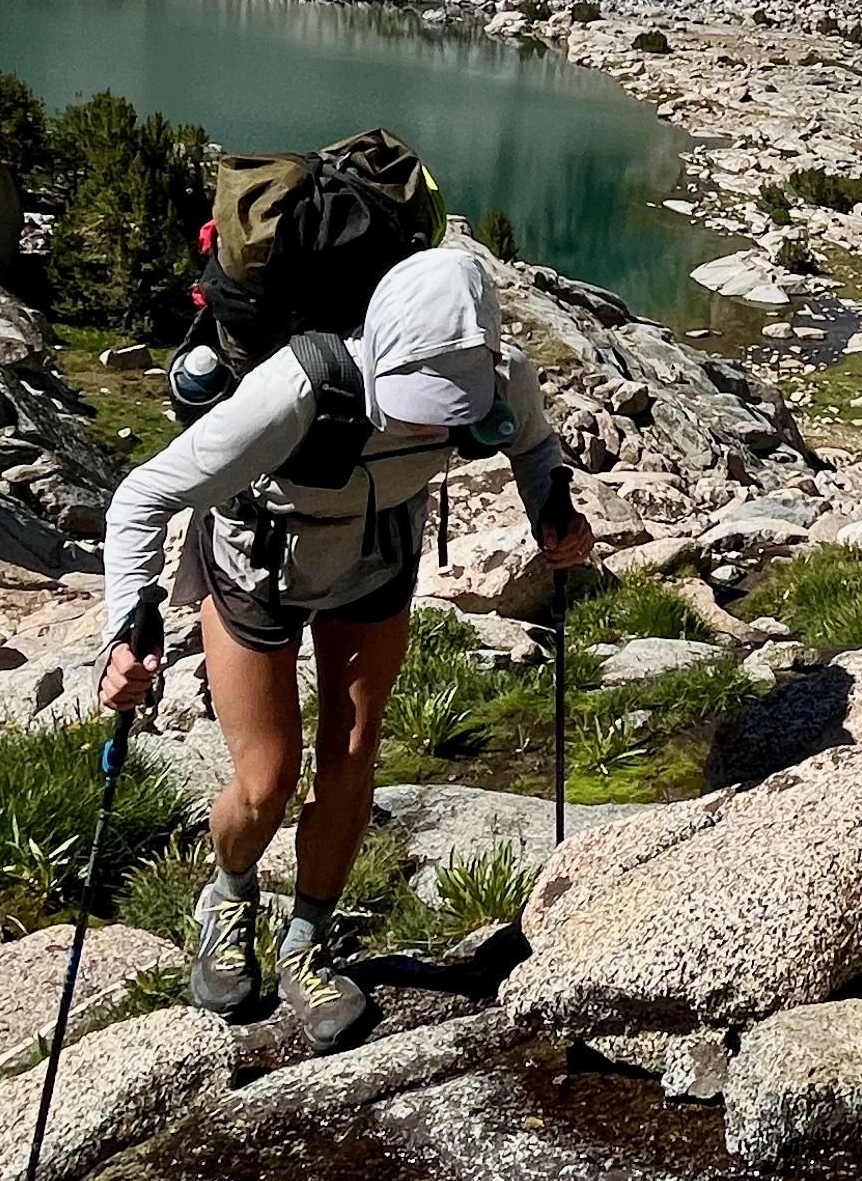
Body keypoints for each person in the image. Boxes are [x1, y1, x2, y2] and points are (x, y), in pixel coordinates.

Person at [93, 237, 594, 1047]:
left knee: (353, 755)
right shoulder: (296, 387)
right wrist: (127, 625)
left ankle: (307, 941)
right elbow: (144, 495)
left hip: (374, 558)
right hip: (255, 562)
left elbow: (535, 447)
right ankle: (228, 895)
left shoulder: (502, 381)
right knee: (266, 779)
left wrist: (552, 511)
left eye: (448, 404)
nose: (430, 419)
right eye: (415, 397)